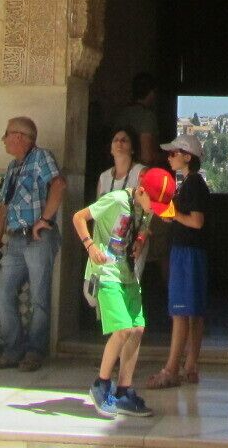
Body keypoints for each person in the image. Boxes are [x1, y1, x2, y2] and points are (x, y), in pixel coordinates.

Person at [72, 165, 179, 418]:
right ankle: (101, 384)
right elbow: (79, 217)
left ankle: (124, 390)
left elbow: (143, 227)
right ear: (140, 191)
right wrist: (90, 246)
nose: (155, 209)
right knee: (121, 330)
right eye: (154, 203)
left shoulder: (146, 207)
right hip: (106, 274)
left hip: (128, 275)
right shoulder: (116, 200)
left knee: (137, 330)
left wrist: (140, 241)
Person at [0, 115, 65, 371]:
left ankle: (34, 352)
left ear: (19, 136)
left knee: (39, 297)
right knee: (3, 292)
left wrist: (45, 219)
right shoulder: (12, 166)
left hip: (37, 237)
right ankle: (13, 350)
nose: (4, 139)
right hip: (16, 239)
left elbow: (58, 184)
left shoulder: (41, 157)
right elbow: (3, 206)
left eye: (7, 134)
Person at [147, 134, 208, 389]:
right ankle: (190, 365)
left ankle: (171, 369)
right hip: (192, 251)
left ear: (187, 157)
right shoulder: (188, 184)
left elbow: (196, 221)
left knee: (181, 311)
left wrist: (171, 213)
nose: (169, 157)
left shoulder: (193, 183)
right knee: (193, 312)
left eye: (174, 153)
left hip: (186, 252)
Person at [114, 73, 163, 167]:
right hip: (140, 174)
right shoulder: (147, 116)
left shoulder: (121, 114)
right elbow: (146, 157)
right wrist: (166, 156)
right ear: (151, 93)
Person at [96, 127, 144, 196]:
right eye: (115, 140)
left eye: (124, 140)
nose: (119, 142)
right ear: (111, 150)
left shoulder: (140, 172)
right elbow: (98, 206)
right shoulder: (103, 177)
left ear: (133, 149)